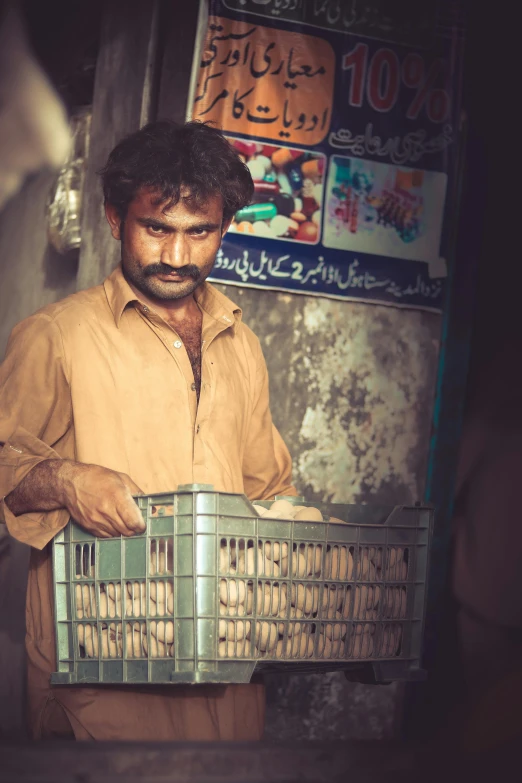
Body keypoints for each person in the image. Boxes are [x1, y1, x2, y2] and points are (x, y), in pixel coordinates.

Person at [0, 120, 296, 741]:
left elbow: (269, 491)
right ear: (114, 219)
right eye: (156, 228)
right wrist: (65, 478)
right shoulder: (56, 336)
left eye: (200, 232)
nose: (177, 255)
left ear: (225, 228)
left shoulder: (242, 344)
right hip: (103, 684)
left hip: (225, 680)